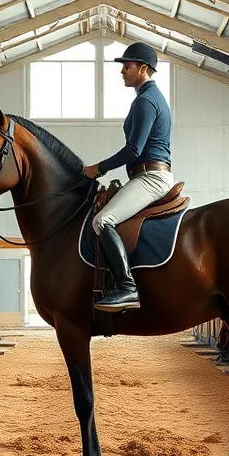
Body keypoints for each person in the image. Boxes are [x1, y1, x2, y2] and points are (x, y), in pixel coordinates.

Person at [83, 42, 173, 312]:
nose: (122, 71)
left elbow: (133, 149)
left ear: (143, 69)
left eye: (127, 66)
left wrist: (99, 168)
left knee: (102, 220)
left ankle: (127, 286)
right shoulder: (148, 97)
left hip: (150, 177)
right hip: (144, 175)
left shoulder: (146, 101)